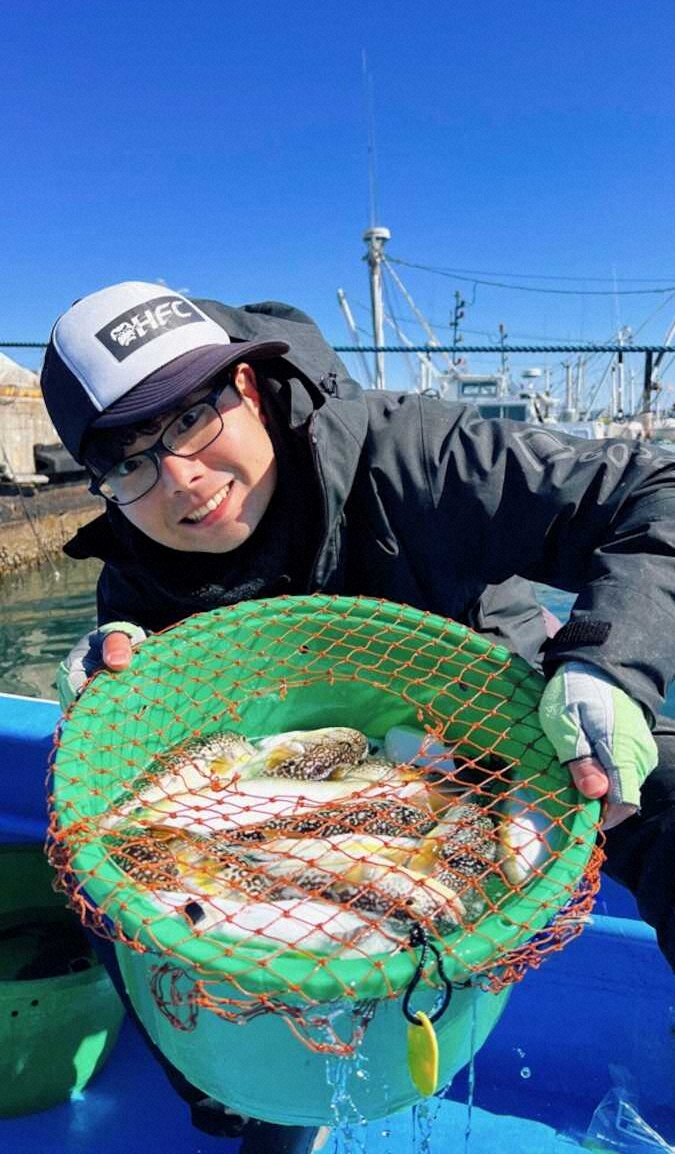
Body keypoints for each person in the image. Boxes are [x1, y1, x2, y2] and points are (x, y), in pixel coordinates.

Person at [42, 281, 675, 1143]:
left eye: (189, 419)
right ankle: (249, 1098)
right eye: (127, 460)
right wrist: (112, 661)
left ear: (250, 389)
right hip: (306, 812)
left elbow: (657, 489)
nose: (182, 483)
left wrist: (607, 660)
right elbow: (147, 674)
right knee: (123, 905)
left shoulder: (413, 450)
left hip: (516, 724)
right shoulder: (138, 552)